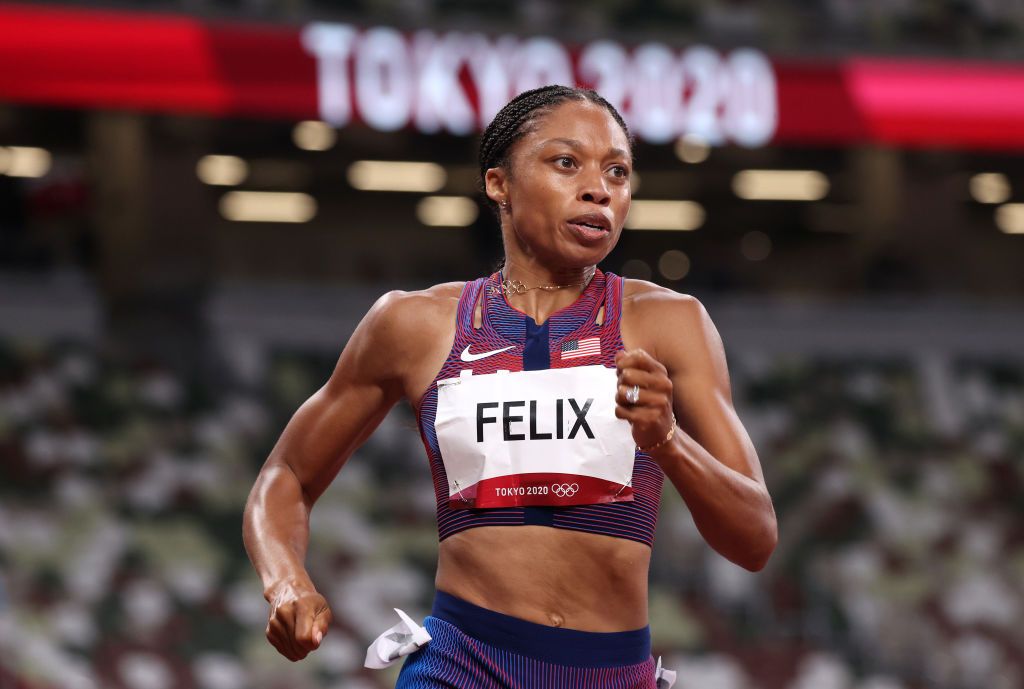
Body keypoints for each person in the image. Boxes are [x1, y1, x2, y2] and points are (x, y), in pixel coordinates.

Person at [242, 84, 777, 688]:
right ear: (498, 183)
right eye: (566, 162)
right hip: (461, 666)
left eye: (618, 172)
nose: (598, 188)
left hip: (611, 673)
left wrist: (668, 441)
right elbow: (286, 476)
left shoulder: (671, 323)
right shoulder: (413, 324)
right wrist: (286, 581)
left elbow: (755, 539)